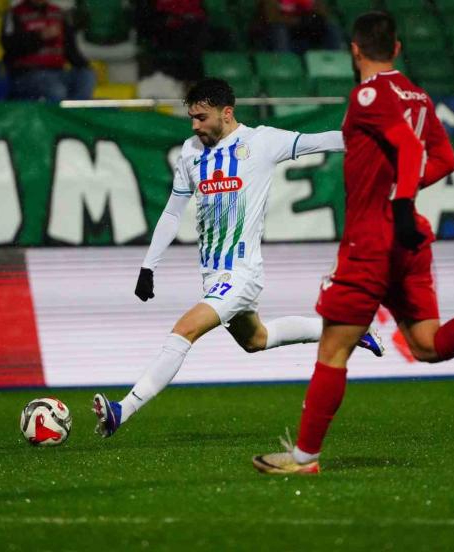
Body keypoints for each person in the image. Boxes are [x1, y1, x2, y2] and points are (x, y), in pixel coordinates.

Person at [252, 12, 454, 475]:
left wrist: (399, 201)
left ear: (355, 51)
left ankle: (305, 458)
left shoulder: (368, 95)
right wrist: (403, 197)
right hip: (409, 240)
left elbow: (406, 147)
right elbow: (444, 160)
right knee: (426, 343)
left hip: (372, 239)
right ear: (398, 49)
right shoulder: (419, 97)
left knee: (333, 350)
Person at [91, 78, 385, 438]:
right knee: (256, 339)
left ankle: (123, 409)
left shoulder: (261, 142)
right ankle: (353, 330)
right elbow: (172, 212)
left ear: (226, 113)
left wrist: (378, 140)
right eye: (191, 117)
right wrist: (148, 266)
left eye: (201, 117)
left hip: (241, 273)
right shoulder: (190, 152)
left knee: (184, 330)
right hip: (213, 275)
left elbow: (320, 140)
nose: (194, 125)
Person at [2, 0, 96, 102]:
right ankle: (60, 111)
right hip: (27, 74)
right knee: (57, 90)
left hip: (58, 72)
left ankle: (76, 110)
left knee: (86, 76)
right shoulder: (14, 13)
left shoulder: (58, 13)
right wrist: (39, 37)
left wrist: (85, 66)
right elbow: (10, 47)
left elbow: (70, 49)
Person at [255, 0, 343, 54]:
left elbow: (323, 15)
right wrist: (299, 20)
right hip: (278, 36)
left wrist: (312, 19)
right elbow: (272, 18)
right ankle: (285, 65)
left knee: (331, 28)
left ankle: (336, 62)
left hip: (304, 34)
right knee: (279, 30)